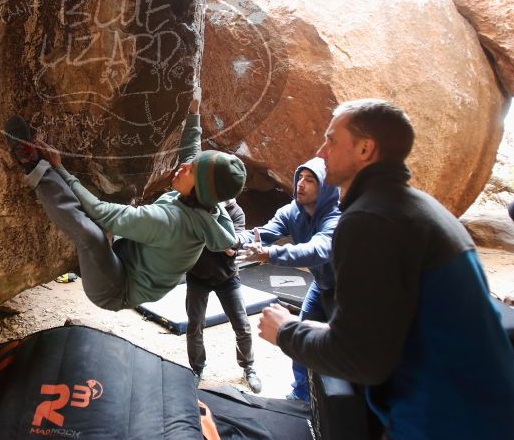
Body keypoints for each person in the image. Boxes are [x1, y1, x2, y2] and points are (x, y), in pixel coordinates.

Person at [258, 99, 514, 439]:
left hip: (445, 419)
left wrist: (286, 331)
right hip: (482, 406)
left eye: (331, 140)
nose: (321, 151)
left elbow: (362, 359)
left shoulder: (370, 220)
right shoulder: (416, 207)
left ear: (365, 149)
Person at [5, 89, 247, 311]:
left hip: (115, 291)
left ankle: (34, 166)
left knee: (92, 236)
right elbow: (192, 155)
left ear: (199, 188)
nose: (182, 167)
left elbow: (100, 211)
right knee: (108, 206)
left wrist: (59, 168)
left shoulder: (171, 222)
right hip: (123, 257)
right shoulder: (205, 202)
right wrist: (194, 112)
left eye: (190, 171)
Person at [240, 157, 339, 401]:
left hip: (348, 292)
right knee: (300, 337)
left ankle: (337, 406)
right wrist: (227, 240)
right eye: (300, 178)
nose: (300, 184)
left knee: (339, 348)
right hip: (321, 285)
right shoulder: (291, 211)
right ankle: (302, 395)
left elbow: (318, 250)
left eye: (310, 180)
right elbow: (262, 234)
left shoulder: (336, 217)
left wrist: (270, 254)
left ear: (325, 187)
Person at [185, 198, 261, 393]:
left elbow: (230, 249)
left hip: (227, 277)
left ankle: (248, 367)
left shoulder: (236, 212)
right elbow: (189, 239)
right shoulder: (200, 205)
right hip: (197, 275)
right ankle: (196, 369)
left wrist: (211, 233)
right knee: (194, 325)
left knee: (242, 325)